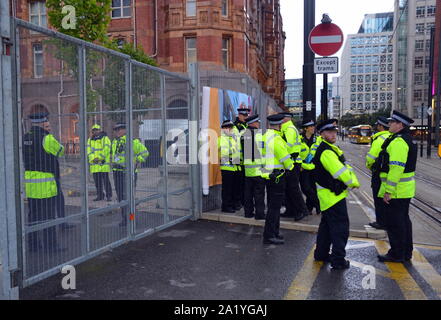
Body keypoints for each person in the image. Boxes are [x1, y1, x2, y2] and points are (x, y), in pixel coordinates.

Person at [312, 119, 360, 269]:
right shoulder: (327, 151)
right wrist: (353, 182)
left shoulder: (327, 148)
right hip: (333, 196)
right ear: (322, 134)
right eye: (329, 132)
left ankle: (321, 254)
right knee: (340, 229)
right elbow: (340, 171)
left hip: (328, 196)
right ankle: (338, 260)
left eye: (334, 131)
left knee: (326, 227)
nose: (333, 134)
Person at [375, 110, 417, 263]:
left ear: (400, 125)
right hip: (404, 190)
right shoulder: (407, 139)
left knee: (395, 224)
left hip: (397, 191)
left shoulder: (399, 142)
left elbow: (396, 168)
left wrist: (389, 191)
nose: (389, 124)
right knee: (404, 222)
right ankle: (406, 252)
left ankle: (397, 253)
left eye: (392, 122)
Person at [23, 112, 65, 252]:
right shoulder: (46, 138)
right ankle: (51, 246)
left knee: (33, 216)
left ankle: (33, 245)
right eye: (47, 124)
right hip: (45, 186)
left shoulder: (25, 137)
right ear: (43, 123)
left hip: (31, 185)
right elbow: (60, 151)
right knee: (48, 217)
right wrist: (50, 135)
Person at [261, 114, 295, 245]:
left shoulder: (264, 137)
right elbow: (286, 159)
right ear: (280, 125)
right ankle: (270, 235)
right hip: (277, 177)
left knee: (272, 207)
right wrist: (291, 167)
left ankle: (274, 232)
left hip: (268, 175)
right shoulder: (276, 139)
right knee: (274, 209)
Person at [111, 123, 150, 226]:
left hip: (128, 173)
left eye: (119, 129)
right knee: (121, 198)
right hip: (117, 172)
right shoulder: (115, 142)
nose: (117, 131)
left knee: (129, 198)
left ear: (125, 130)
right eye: (116, 129)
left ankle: (131, 219)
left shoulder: (132, 141)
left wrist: (137, 161)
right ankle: (125, 219)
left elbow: (145, 152)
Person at [280, 112, 308, 221]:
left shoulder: (289, 129)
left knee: (293, 188)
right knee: (288, 188)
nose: (280, 120)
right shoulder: (287, 128)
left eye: (282, 118)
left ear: (286, 119)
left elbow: (288, 146)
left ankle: (302, 210)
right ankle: (290, 210)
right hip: (291, 162)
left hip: (293, 162)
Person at [365, 116, 391, 229]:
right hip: (389, 173)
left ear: (380, 126)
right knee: (387, 200)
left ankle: (380, 222)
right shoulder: (392, 137)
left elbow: (371, 157)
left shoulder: (379, 139)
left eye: (377, 125)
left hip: (378, 173)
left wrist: (369, 166)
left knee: (378, 198)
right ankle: (387, 221)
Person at [242, 114, 265, 220]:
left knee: (248, 193)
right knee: (259, 194)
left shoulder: (243, 134)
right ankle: (259, 214)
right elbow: (262, 152)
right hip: (258, 170)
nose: (258, 124)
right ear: (254, 123)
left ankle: (248, 213)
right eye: (257, 122)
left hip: (247, 170)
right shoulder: (258, 135)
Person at [218, 120, 241, 213]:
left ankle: (232, 205)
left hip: (234, 166)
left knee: (233, 188)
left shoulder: (230, 138)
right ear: (224, 129)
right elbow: (226, 152)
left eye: (231, 128)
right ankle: (226, 206)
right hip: (227, 167)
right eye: (229, 128)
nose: (231, 130)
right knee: (227, 189)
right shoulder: (222, 139)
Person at [299, 119, 320, 215]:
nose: (313, 128)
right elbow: (296, 153)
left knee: (312, 188)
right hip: (303, 167)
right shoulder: (299, 139)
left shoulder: (317, 139)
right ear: (306, 129)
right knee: (306, 188)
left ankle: (309, 208)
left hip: (313, 167)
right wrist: (300, 165)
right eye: (311, 127)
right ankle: (318, 205)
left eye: (313, 126)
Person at [87, 124, 112, 202]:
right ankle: (100, 195)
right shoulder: (90, 140)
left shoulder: (105, 138)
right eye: (93, 130)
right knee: (97, 182)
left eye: (96, 130)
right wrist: (93, 158)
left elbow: (107, 149)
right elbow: (88, 151)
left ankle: (109, 196)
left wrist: (99, 158)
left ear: (100, 130)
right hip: (95, 165)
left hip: (103, 164)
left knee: (106, 181)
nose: (95, 131)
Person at [233, 106, 250, 209]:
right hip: (237, 159)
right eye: (243, 115)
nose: (245, 117)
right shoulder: (236, 127)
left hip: (245, 159)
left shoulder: (246, 125)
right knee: (237, 184)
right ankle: (237, 202)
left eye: (246, 115)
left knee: (244, 183)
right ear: (239, 115)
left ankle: (243, 201)